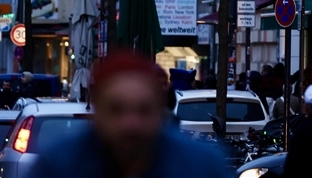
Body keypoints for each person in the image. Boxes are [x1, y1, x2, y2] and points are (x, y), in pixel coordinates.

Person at [29, 50, 229, 178]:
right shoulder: (57, 166)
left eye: (144, 110)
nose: (130, 124)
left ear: (160, 109)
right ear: (97, 109)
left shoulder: (202, 167)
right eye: (116, 109)